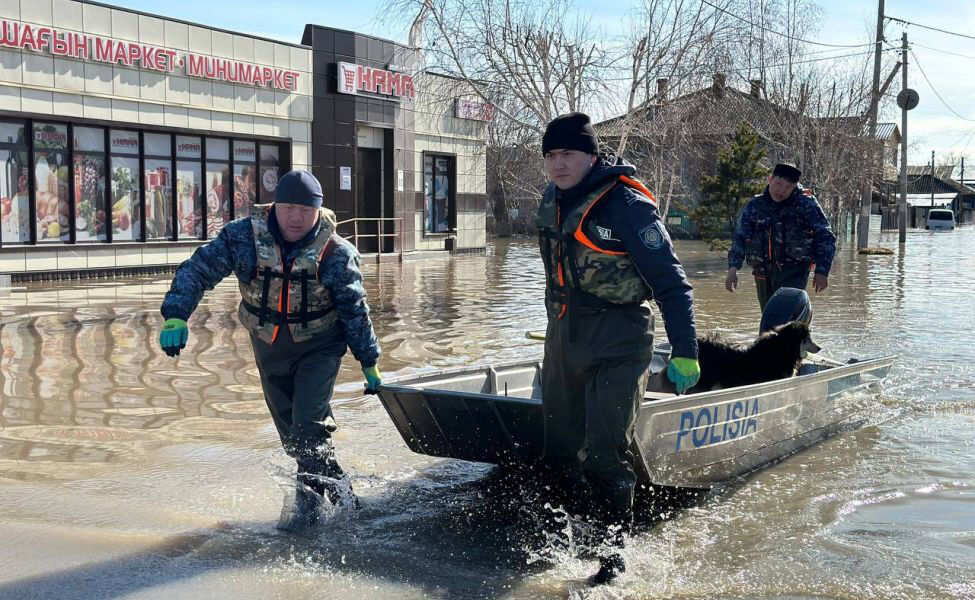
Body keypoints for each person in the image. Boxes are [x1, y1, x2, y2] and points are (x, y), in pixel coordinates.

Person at [157, 170, 383, 531]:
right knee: (298, 443)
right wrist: (176, 315)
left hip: (320, 346)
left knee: (309, 430)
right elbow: (198, 270)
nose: (296, 218)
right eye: (289, 207)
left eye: (305, 210)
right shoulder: (242, 238)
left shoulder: (337, 253)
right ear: (274, 206)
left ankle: (305, 519)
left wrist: (369, 361)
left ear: (318, 211)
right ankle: (349, 504)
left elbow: (354, 309)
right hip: (268, 346)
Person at [536, 112, 701, 584]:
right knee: (558, 450)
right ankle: (555, 547)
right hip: (565, 338)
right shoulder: (554, 199)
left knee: (607, 453)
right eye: (550, 155)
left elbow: (672, 282)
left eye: (566, 154)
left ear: (591, 155)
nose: (557, 165)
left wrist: (685, 348)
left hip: (621, 339)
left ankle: (612, 563)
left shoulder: (626, 204)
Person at [726, 163, 837, 311]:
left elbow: (825, 236)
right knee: (769, 320)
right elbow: (740, 237)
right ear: (770, 179)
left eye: (788, 187)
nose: (781, 191)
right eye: (778, 184)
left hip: (794, 271)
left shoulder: (806, 204)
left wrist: (822, 271)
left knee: (783, 317)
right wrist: (733, 269)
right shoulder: (755, 205)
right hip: (762, 272)